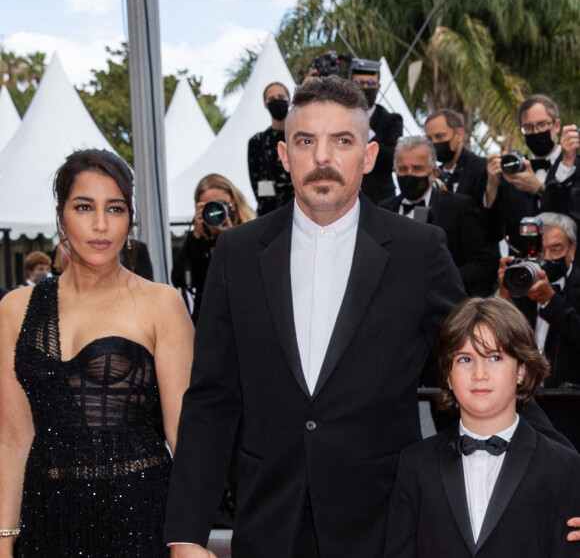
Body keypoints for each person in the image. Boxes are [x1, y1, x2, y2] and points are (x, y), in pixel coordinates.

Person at [163, 76, 466, 557]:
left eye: (341, 141)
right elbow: (212, 400)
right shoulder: (238, 253)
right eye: (306, 141)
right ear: (285, 157)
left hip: (385, 524)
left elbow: (481, 363)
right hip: (270, 524)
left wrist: (562, 475)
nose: (322, 158)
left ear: (368, 157)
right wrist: (185, 533)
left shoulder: (419, 252)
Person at [0, 148, 193, 556]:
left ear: (130, 218)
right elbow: (14, 438)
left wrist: (186, 538)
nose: (101, 224)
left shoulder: (161, 304)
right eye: (84, 206)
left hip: (140, 518)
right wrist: (4, 536)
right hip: (46, 519)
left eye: (116, 208)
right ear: (61, 215)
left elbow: (186, 436)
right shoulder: (15, 310)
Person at [386, 297, 580, 557]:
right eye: (465, 359)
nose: (479, 374)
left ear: (521, 370)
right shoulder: (415, 464)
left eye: (495, 357)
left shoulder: (563, 466)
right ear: (447, 375)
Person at [497, 212, 580, 450]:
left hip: (570, 411)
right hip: (522, 410)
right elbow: (495, 339)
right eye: (539, 251)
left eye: (557, 250)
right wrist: (504, 295)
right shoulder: (520, 279)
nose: (546, 259)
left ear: (572, 251)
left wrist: (550, 302)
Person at [381, 136, 498, 297]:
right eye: (403, 169)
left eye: (417, 169)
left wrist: (440, 279)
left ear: (434, 173)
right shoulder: (383, 210)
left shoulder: (459, 208)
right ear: (395, 171)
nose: (410, 175)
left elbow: (484, 263)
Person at [486, 94, 580, 253]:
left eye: (542, 124)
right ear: (521, 133)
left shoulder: (576, 166)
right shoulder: (512, 173)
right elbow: (492, 231)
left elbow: (573, 221)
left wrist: (539, 189)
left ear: (556, 125)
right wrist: (492, 186)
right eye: (528, 127)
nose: (536, 132)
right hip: (522, 268)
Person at [171, 173, 255, 324]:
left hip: (245, 322)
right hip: (208, 325)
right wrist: (195, 237)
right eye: (207, 207)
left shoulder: (253, 233)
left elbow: (252, 279)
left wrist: (232, 240)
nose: (215, 212)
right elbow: (181, 280)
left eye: (220, 204)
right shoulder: (198, 244)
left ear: (234, 203)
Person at [349, 58, 403, 204]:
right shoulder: (340, 118)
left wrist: (368, 131)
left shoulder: (392, 120)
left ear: (379, 87)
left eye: (371, 83)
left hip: (380, 200)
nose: (365, 88)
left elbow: (391, 159)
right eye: (359, 83)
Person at [247, 82, 294, 216]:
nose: (277, 101)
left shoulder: (301, 138)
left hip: (300, 212)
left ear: (289, 101)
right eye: (271, 99)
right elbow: (255, 181)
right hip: (268, 214)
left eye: (280, 96)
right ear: (265, 104)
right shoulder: (257, 142)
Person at [424, 108, 488, 205]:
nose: (434, 143)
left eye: (440, 136)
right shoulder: (434, 175)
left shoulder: (482, 168)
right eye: (429, 139)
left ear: (459, 134)